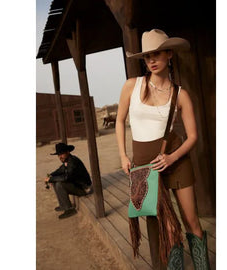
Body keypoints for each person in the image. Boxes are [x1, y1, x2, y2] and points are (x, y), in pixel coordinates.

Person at [116, 29, 211, 269]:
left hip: (176, 161)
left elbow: (193, 136)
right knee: (167, 227)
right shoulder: (131, 86)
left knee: (192, 222)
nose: (151, 60)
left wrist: (172, 158)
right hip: (145, 168)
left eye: (156, 54)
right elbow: (119, 121)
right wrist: (123, 155)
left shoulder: (181, 94)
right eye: (147, 56)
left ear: (169, 54)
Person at [44, 143, 93, 219]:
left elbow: (67, 177)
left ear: (68, 152)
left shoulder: (72, 162)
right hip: (78, 186)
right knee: (55, 181)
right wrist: (51, 175)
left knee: (60, 184)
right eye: (59, 155)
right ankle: (63, 205)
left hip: (85, 188)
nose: (60, 157)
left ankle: (69, 209)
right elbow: (60, 170)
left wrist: (51, 179)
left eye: (62, 154)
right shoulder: (68, 160)